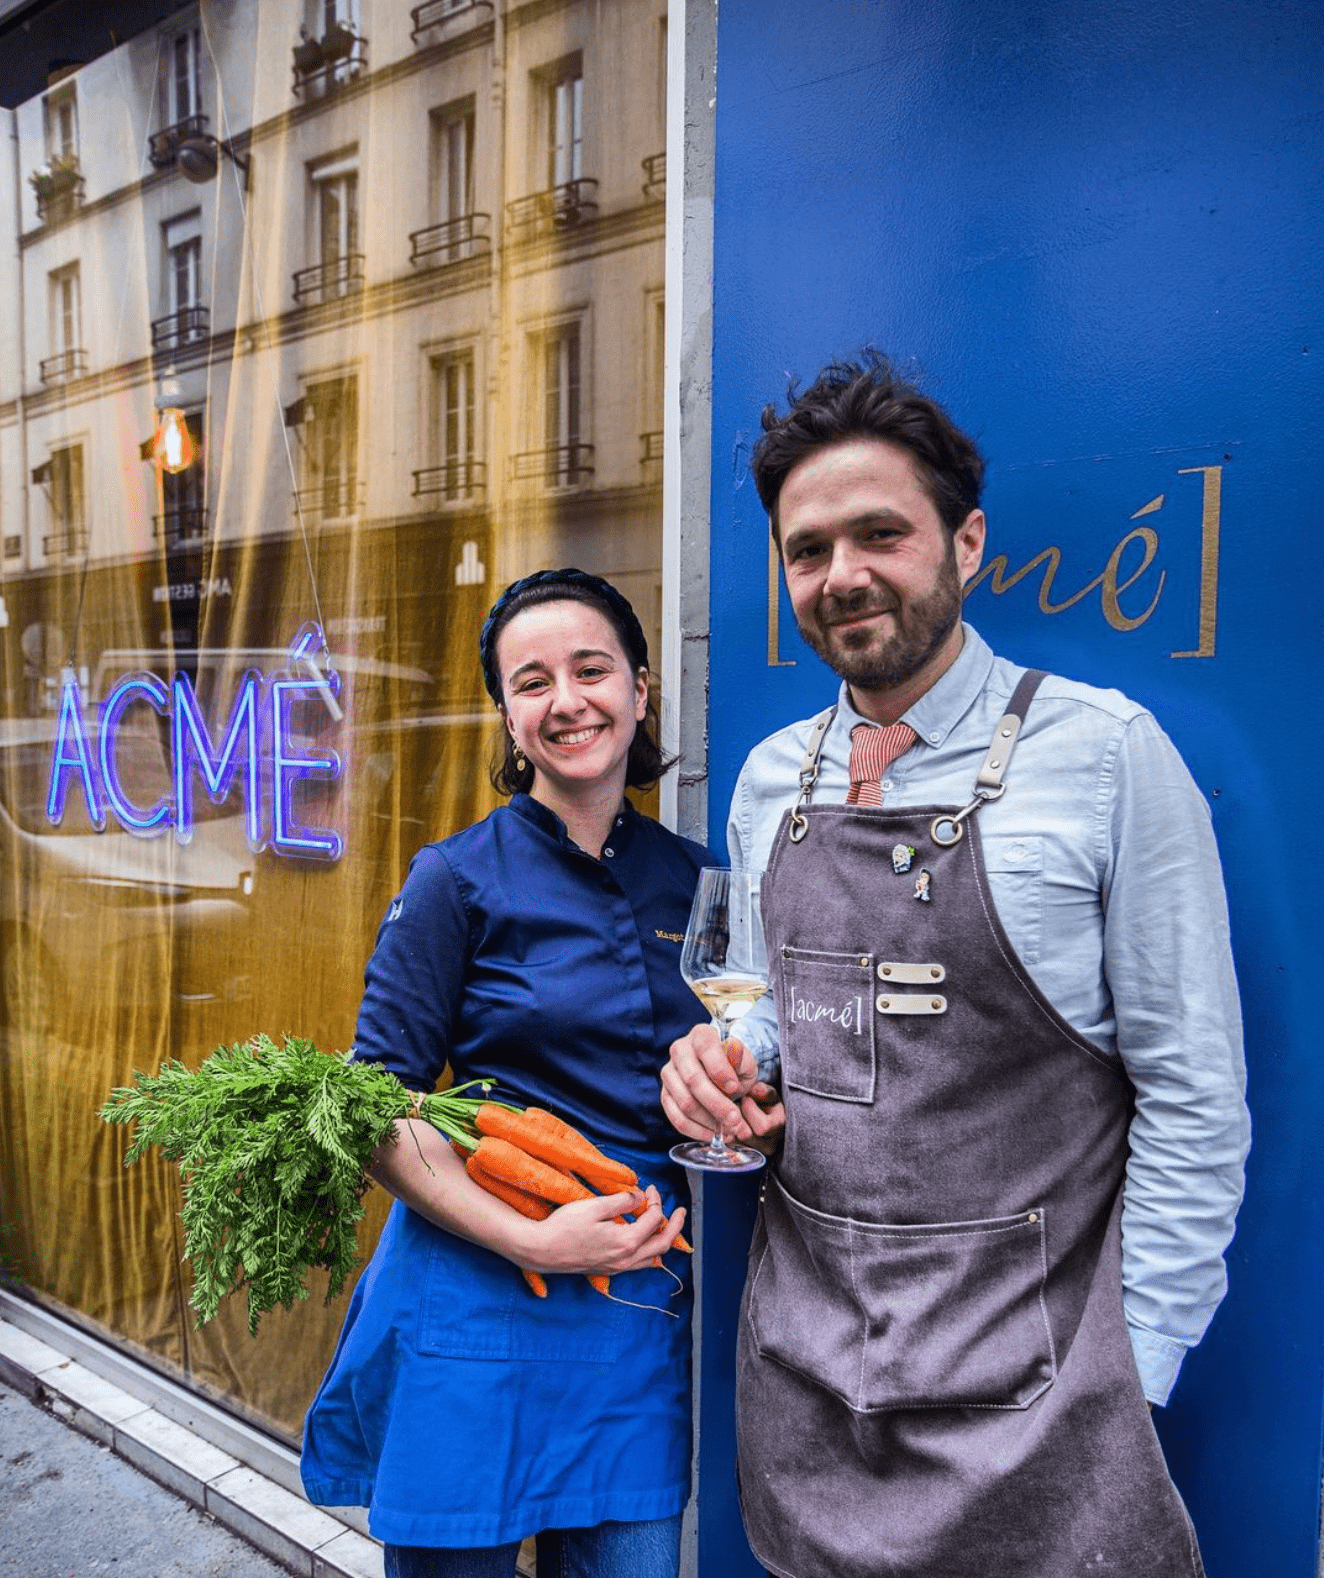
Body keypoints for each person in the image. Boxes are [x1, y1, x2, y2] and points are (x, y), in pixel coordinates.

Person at [661, 354, 1250, 1578]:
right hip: (810, 1392)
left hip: (1041, 1416)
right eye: (808, 548)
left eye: (882, 533)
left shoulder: (1103, 758)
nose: (843, 575)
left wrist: (1130, 1369)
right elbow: (778, 1016)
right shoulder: (774, 778)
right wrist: (726, 1064)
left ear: (965, 543)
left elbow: (1194, 1100)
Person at [302, 568, 713, 1578]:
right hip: (475, 1299)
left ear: (641, 689)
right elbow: (376, 1110)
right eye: (532, 682)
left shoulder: (698, 879)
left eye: (591, 670)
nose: (566, 700)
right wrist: (537, 1236)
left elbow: (737, 1068)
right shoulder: (454, 879)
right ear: (506, 715)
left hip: (632, 1304)